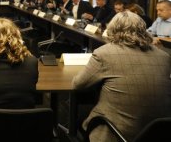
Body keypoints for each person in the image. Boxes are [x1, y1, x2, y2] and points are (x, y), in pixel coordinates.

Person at [72, 11, 171, 142]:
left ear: (112, 29)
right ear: (143, 30)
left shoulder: (104, 53)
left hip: (118, 131)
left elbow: (77, 84)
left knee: (80, 115)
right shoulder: (164, 56)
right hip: (159, 131)